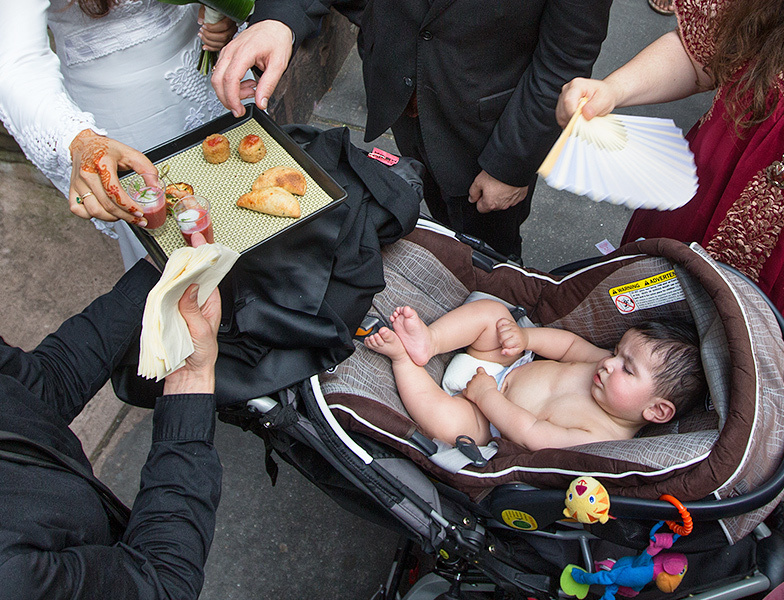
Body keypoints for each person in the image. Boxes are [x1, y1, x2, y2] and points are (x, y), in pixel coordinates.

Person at [555, 0, 784, 440]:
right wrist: (613, 89)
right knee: (614, 371)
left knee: (736, 433)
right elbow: (699, 55)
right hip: (690, 230)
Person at [209, 0, 613, 258]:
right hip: (402, 99)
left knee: (488, 252)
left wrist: (511, 165)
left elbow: (564, 61)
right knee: (436, 213)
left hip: (490, 133)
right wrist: (279, 20)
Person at [0, 250, 224, 598]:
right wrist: (189, 378)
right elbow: (161, 585)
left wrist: (163, 271)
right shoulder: (14, 578)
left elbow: (38, 390)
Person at [0, 0, 237, 268]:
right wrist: (78, 138)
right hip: (124, 117)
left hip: (207, 71)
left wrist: (224, 14)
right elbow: (18, 62)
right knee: (168, 246)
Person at [363, 300, 706, 451]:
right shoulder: (604, 364)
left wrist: (486, 397)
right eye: (617, 352)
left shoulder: (601, 437)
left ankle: (403, 360)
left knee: (449, 427)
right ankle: (430, 341)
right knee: (495, 316)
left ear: (656, 410)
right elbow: (569, 345)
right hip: (507, 365)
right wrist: (525, 338)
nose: (609, 363)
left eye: (626, 369)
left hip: (489, 420)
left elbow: (531, 432)